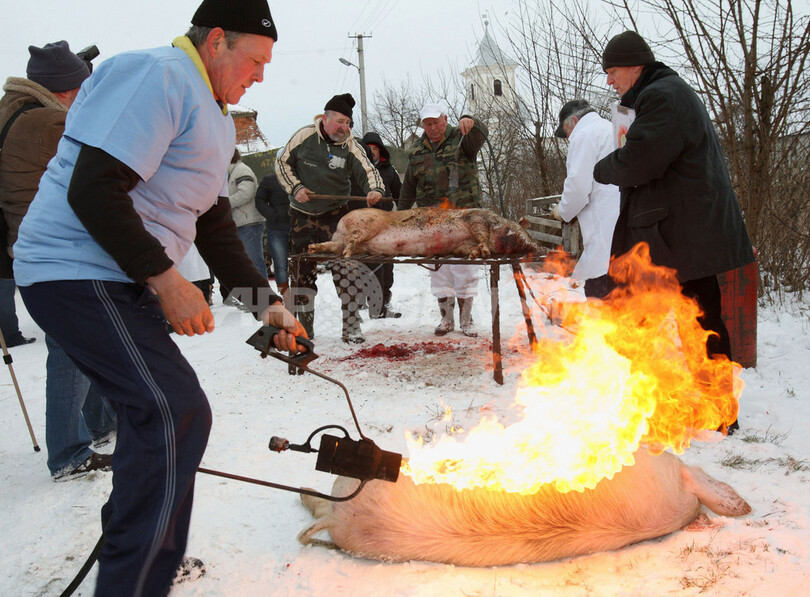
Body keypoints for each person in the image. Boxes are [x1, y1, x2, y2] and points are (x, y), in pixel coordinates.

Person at [12, 2, 306, 594]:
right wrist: (166, 279)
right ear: (217, 40)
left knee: (161, 419)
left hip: (114, 277)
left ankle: (145, 558)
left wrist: (266, 302)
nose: (261, 75)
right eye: (255, 59)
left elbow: (215, 222)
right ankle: (136, 578)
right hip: (75, 272)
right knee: (173, 411)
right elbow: (93, 187)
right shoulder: (159, 75)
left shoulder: (216, 118)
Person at [592, 30, 755, 433]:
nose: (609, 81)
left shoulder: (661, 96)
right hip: (683, 234)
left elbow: (641, 160)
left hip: (679, 236)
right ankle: (701, 411)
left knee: (680, 322)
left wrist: (605, 167)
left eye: (611, 72)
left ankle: (689, 411)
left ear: (633, 65)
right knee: (697, 319)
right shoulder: (664, 92)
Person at [0, 40, 118, 477]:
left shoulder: (11, 111)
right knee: (71, 350)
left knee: (84, 342)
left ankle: (102, 423)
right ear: (68, 90)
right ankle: (69, 452)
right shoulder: (51, 121)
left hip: (31, 248)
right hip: (57, 250)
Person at [275, 93, 385, 343]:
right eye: (340, 122)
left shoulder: (351, 146)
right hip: (301, 218)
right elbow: (282, 163)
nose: (344, 128)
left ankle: (352, 326)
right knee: (302, 276)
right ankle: (306, 328)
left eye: (348, 123)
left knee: (346, 273)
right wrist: (296, 187)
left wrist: (375, 190)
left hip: (336, 219)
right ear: (325, 118)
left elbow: (368, 171)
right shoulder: (303, 137)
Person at [398, 103, 488, 337]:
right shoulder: (417, 150)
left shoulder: (462, 138)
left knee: (465, 269)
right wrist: (400, 215)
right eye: (427, 124)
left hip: (463, 219)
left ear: (445, 120)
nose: (433, 128)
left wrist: (471, 120)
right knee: (439, 270)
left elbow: (481, 133)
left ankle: (466, 319)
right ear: (422, 126)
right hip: (433, 221)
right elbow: (409, 186)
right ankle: (446, 318)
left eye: (436, 122)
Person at [551, 99, 620, 299]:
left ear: (573, 120)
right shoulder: (611, 128)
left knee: (600, 293)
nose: (566, 136)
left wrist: (562, 211)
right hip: (624, 226)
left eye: (565, 130)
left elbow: (578, 187)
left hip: (604, 227)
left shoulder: (584, 135)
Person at [223, 147, 266, 300]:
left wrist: (224, 204)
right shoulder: (230, 173)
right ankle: (254, 298)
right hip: (240, 223)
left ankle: (262, 299)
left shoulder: (241, 170)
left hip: (250, 223)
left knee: (254, 262)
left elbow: (246, 193)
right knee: (247, 263)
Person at [254, 172, 291, 300]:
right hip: (277, 228)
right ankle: (286, 296)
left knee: (301, 263)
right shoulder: (269, 180)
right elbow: (259, 201)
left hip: (300, 227)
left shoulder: (301, 175)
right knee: (280, 264)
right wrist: (273, 215)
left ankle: (302, 295)